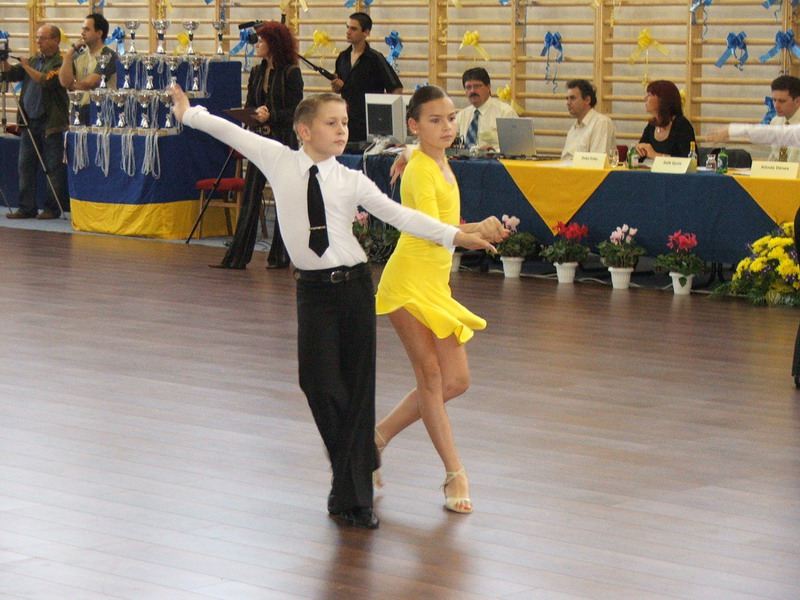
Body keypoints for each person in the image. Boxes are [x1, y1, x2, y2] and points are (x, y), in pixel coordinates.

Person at [169, 85, 504, 529]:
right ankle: (361, 454)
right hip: (313, 291)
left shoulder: (352, 179)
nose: (342, 130)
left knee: (358, 392)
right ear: (304, 131)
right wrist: (188, 113)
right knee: (317, 383)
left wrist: (458, 235)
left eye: (345, 123)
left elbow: (402, 216)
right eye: (332, 123)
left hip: (355, 288)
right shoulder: (279, 159)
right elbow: (230, 131)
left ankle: (353, 499)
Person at [374, 86, 509, 514]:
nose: (447, 126)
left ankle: (374, 439)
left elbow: (445, 224)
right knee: (431, 378)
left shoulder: (436, 161)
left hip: (434, 284)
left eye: (451, 118)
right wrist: (473, 233)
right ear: (414, 125)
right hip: (407, 284)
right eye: (435, 120)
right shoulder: (419, 169)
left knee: (456, 381)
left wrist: (478, 228)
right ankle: (455, 473)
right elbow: (434, 231)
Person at [212, 21, 303, 270]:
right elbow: (250, 104)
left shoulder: (291, 73)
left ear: (274, 44)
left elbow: (295, 111)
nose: (257, 45)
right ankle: (237, 257)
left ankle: (280, 256)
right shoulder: (256, 71)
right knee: (251, 197)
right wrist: (252, 114)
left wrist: (270, 115)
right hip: (259, 142)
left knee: (284, 198)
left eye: (262, 41)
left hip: (282, 143)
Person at [2, 24, 69, 220]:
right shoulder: (34, 60)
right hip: (29, 122)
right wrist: (3, 60)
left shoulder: (61, 62)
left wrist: (26, 66)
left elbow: (47, 81)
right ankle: (26, 207)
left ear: (55, 40)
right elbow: (12, 74)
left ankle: (52, 208)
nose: (38, 41)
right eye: (37, 38)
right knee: (25, 166)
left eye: (43, 38)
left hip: (50, 123)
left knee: (53, 168)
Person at [330, 12, 402, 144]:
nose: (348, 32)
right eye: (347, 27)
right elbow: (337, 89)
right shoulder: (342, 57)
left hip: (370, 126)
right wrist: (336, 87)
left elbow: (396, 89)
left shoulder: (376, 58)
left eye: (354, 28)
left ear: (366, 32)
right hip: (347, 123)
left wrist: (385, 119)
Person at [58, 12, 118, 126]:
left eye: (87, 29)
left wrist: (72, 85)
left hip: (100, 109)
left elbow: (91, 83)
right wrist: (69, 54)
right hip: (79, 109)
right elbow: (64, 81)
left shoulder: (108, 55)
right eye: (82, 29)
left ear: (99, 33)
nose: (82, 33)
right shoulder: (78, 56)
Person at [454, 67, 516, 150]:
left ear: (488, 87)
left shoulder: (505, 113)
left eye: (477, 86)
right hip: (464, 158)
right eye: (468, 87)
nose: (472, 91)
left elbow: (515, 147)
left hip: (495, 158)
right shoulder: (461, 116)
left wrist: (494, 152)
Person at [634, 79, 695, 160]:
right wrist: (635, 153)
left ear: (662, 99)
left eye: (649, 95)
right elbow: (638, 159)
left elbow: (689, 160)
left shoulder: (682, 125)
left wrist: (654, 155)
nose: (645, 98)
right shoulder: (651, 126)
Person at [561, 78, 616, 160]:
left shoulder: (601, 123)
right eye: (567, 98)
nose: (568, 103)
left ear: (587, 100)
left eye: (572, 98)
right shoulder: (573, 128)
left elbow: (597, 161)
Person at [765, 75, 800, 163]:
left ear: (797, 101)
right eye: (774, 100)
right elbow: (775, 155)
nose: (776, 106)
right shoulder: (775, 121)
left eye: (782, 101)